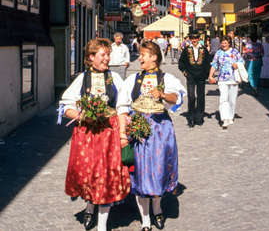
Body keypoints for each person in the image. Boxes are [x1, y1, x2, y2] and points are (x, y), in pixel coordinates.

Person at [59, 38, 130, 231]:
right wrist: (83, 115)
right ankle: (90, 208)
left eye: (108, 54)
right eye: (103, 55)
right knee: (90, 175)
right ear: (91, 57)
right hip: (87, 135)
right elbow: (66, 106)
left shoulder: (114, 78)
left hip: (109, 134)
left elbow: (123, 106)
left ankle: (102, 224)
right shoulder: (82, 79)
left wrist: (123, 132)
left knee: (106, 176)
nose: (107, 58)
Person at [117, 41, 186, 231]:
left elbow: (178, 96)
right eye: (140, 55)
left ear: (154, 57)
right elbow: (122, 106)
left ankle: (157, 208)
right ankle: (145, 219)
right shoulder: (133, 80)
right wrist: (124, 133)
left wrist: (163, 94)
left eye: (143, 55)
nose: (139, 58)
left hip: (160, 129)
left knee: (159, 169)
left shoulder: (166, 77)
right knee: (140, 173)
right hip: (139, 129)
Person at [208, 35, 245, 129]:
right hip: (222, 80)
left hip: (233, 79)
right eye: (222, 43)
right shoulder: (218, 53)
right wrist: (210, 76)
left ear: (229, 43)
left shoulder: (234, 51)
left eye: (225, 43)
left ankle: (230, 116)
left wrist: (237, 64)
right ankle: (225, 119)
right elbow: (214, 64)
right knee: (223, 99)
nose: (223, 44)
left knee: (232, 100)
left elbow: (242, 61)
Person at [178, 32, 211, 127]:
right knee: (191, 97)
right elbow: (181, 63)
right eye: (192, 38)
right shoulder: (186, 49)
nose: (194, 40)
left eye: (196, 38)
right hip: (191, 77)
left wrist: (206, 74)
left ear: (199, 38)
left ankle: (199, 117)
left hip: (201, 77)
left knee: (201, 97)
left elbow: (208, 62)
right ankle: (191, 118)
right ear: (190, 39)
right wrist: (185, 73)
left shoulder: (204, 50)